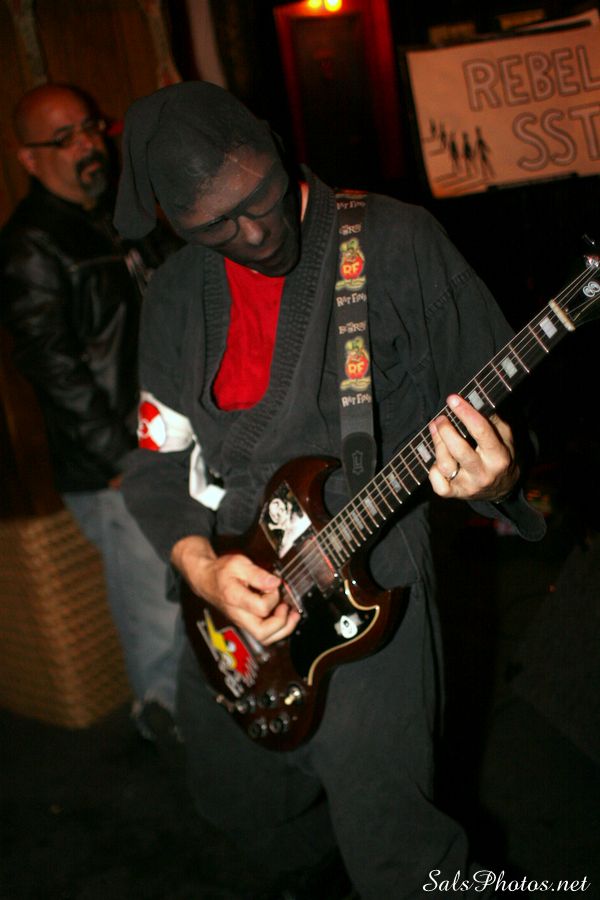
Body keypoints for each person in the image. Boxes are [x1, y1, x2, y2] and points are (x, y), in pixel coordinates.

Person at [113, 82, 545, 898]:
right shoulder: (172, 295)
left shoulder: (394, 240)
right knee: (239, 802)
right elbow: (156, 463)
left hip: (374, 571)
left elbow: (506, 409)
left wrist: (502, 474)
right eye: (218, 226)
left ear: (276, 146)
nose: (259, 231)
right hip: (234, 576)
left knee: (398, 851)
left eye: (265, 195)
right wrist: (203, 569)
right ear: (175, 224)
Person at [0, 84, 184, 743]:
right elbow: (53, 367)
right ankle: (163, 719)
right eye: (65, 138)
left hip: (169, 436)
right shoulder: (30, 244)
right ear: (28, 158)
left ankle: (210, 722)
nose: (87, 145)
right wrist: (118, 459)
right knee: (154, 607)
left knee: (191, 585)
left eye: (90, 128)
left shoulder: (118, 214)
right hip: (117, 461)